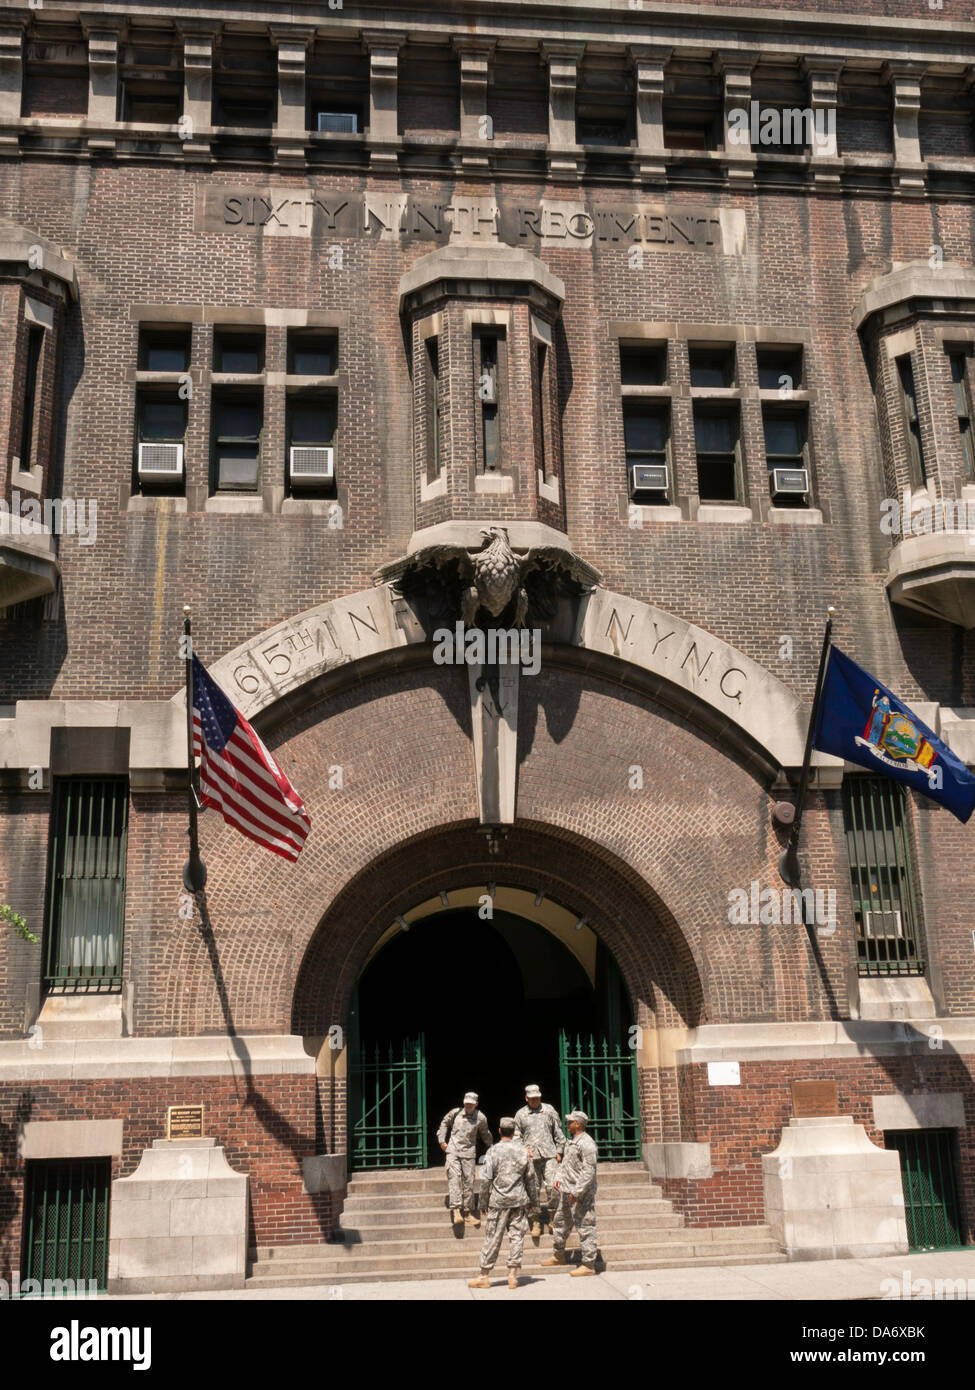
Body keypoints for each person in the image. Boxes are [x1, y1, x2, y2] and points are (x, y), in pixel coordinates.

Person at [467, 1117, 539, 1290]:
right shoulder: (523, 1151)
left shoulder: (492, 1152)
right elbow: (531, 1179)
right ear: (514, 1132)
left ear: (499, 1131)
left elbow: (486, 1179)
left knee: (493, 1237)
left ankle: (484, 1275)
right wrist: (533, 1202)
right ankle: (512, 1275)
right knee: (516, 1237)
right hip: (518, 1201)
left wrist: (482, 1202)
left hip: (498, 1202)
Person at [540, 1109, 599, 1277]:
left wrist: (578, 1191)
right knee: (560, 1222)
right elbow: (565, 1164)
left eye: (570, 1122)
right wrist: (558, 1178)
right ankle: (559, 1255)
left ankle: (588, 1264)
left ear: (578, 1124)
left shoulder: (587, 1144)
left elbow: (589, 1172)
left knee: (585, 1227)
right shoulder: (572, 1141)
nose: (568, 1124)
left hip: (580, 1195)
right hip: (566, 1191)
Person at [514, 1083, 565, 1238]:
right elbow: (516, 1136)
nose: (535, 1101)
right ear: (526, 1098)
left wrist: (560, 1151)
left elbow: (558, 1131)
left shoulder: (549, 1110)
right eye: (532, 1099)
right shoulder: (521, 1114)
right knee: (533, 1191)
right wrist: (523, 1150)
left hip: (549, 1155)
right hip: (531, 1158)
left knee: (553, 1187)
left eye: (537, 1098)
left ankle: (552, 1218)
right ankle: (535, 1221)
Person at [437, 1091, 491, 1227]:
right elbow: (444, 1123)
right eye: (466, 1103)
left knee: (469, 1182)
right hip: (453, 1151)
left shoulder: (481, 1117)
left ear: (476, 1104)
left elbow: (485, 1134)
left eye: (471, 1104)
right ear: (463, 1102)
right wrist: (441, 1140)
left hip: (469, 1153)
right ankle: (456, 1211)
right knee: (454, 1177)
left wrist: (492, 1148)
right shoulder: (455, 1113)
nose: (468, 1105)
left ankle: (468, 1213)